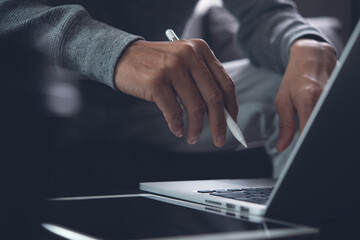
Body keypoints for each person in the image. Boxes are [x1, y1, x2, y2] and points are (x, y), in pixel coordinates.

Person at [0, 0, 337, 176]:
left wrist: (302, 41)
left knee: (291, 89)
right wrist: (117, 53)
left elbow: (262, 11)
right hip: (40, 96)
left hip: (159, 104)